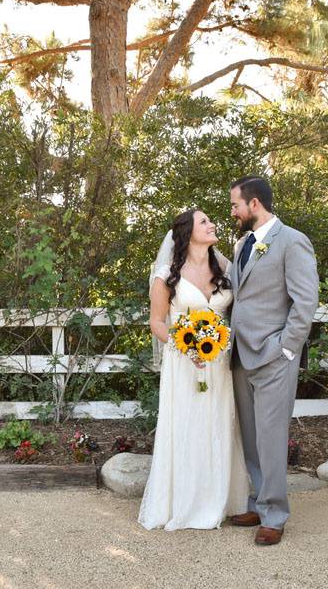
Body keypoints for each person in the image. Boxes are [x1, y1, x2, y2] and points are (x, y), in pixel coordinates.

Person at [138, 207, 249, 531]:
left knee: (218, 424)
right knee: (185, 425)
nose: (212, 224)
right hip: (183, 364)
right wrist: (184, 347)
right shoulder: (167, 275)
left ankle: (219, 500)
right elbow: (156, 322)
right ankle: (184, 503)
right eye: (204, 222)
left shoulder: (226, 267)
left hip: (219, 364)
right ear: (188, 233)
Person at [226, 176, 319, 546]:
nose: (232, 212)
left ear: (254, 204)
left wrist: (286, 348)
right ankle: (260, 502)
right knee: (251, 438)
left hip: (273, 356)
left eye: (235, 205)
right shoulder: (242, 245)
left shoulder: (292, 241)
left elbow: (305, 301)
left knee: (271, 436)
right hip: (239, 355)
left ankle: (276, 515)